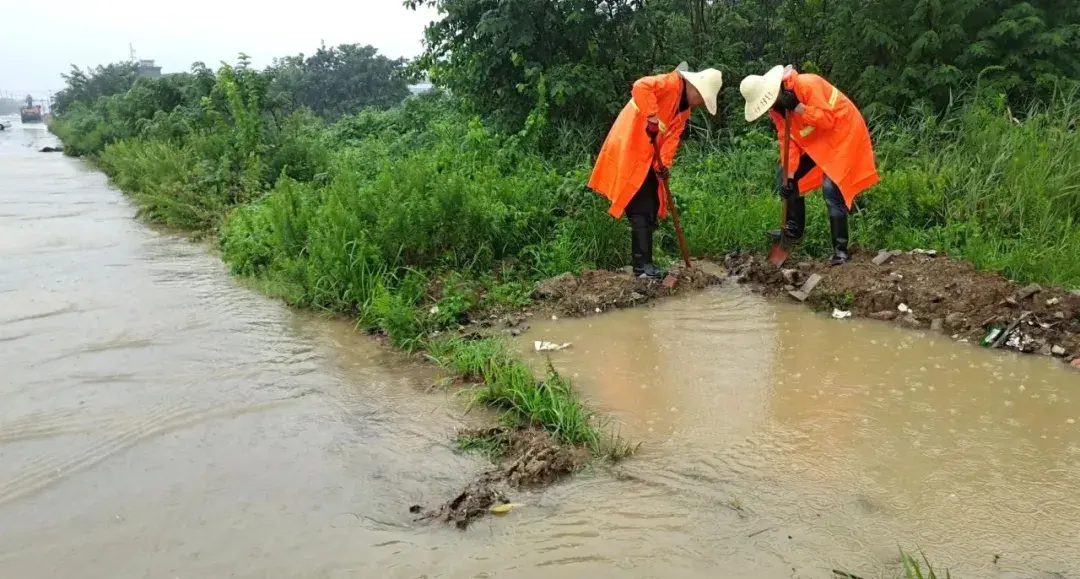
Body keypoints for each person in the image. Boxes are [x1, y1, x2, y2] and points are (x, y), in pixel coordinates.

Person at [589, 63, 724, 278]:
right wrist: (651, 116)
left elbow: (671, 140)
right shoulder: (670, 83)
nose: (700, 104)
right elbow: (641, 86)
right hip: (631, 150)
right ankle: (642, 269)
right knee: (640, 208)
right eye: (701, 99)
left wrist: (664, 166)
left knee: (651, 205)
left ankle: (646, 265)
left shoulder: (683, 110)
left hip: (649, 158)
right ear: (695, 89)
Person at [739, 65, 879, 265]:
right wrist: (789, 177)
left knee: (832, 188)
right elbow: (787, 141)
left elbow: (829, 120)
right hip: (818, 142)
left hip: (843, 135)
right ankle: (794, 229)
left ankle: (840, 251)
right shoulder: (776, 109)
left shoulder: (807, 84)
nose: (770, 105)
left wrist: (798, 107)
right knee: (785, 176)